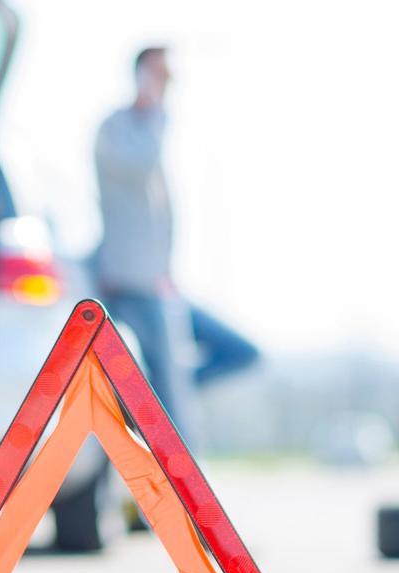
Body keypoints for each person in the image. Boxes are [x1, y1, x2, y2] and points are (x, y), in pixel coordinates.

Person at [93, 46, 258, 444]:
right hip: (131, 287)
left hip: (163, 287)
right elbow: (140, 165)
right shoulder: (117, 129)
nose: (164, 88)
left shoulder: (149, 129)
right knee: (171, 417)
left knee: (240, 353)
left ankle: (156, 396)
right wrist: (154, 109)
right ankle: (174, 500)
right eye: (159, 76)